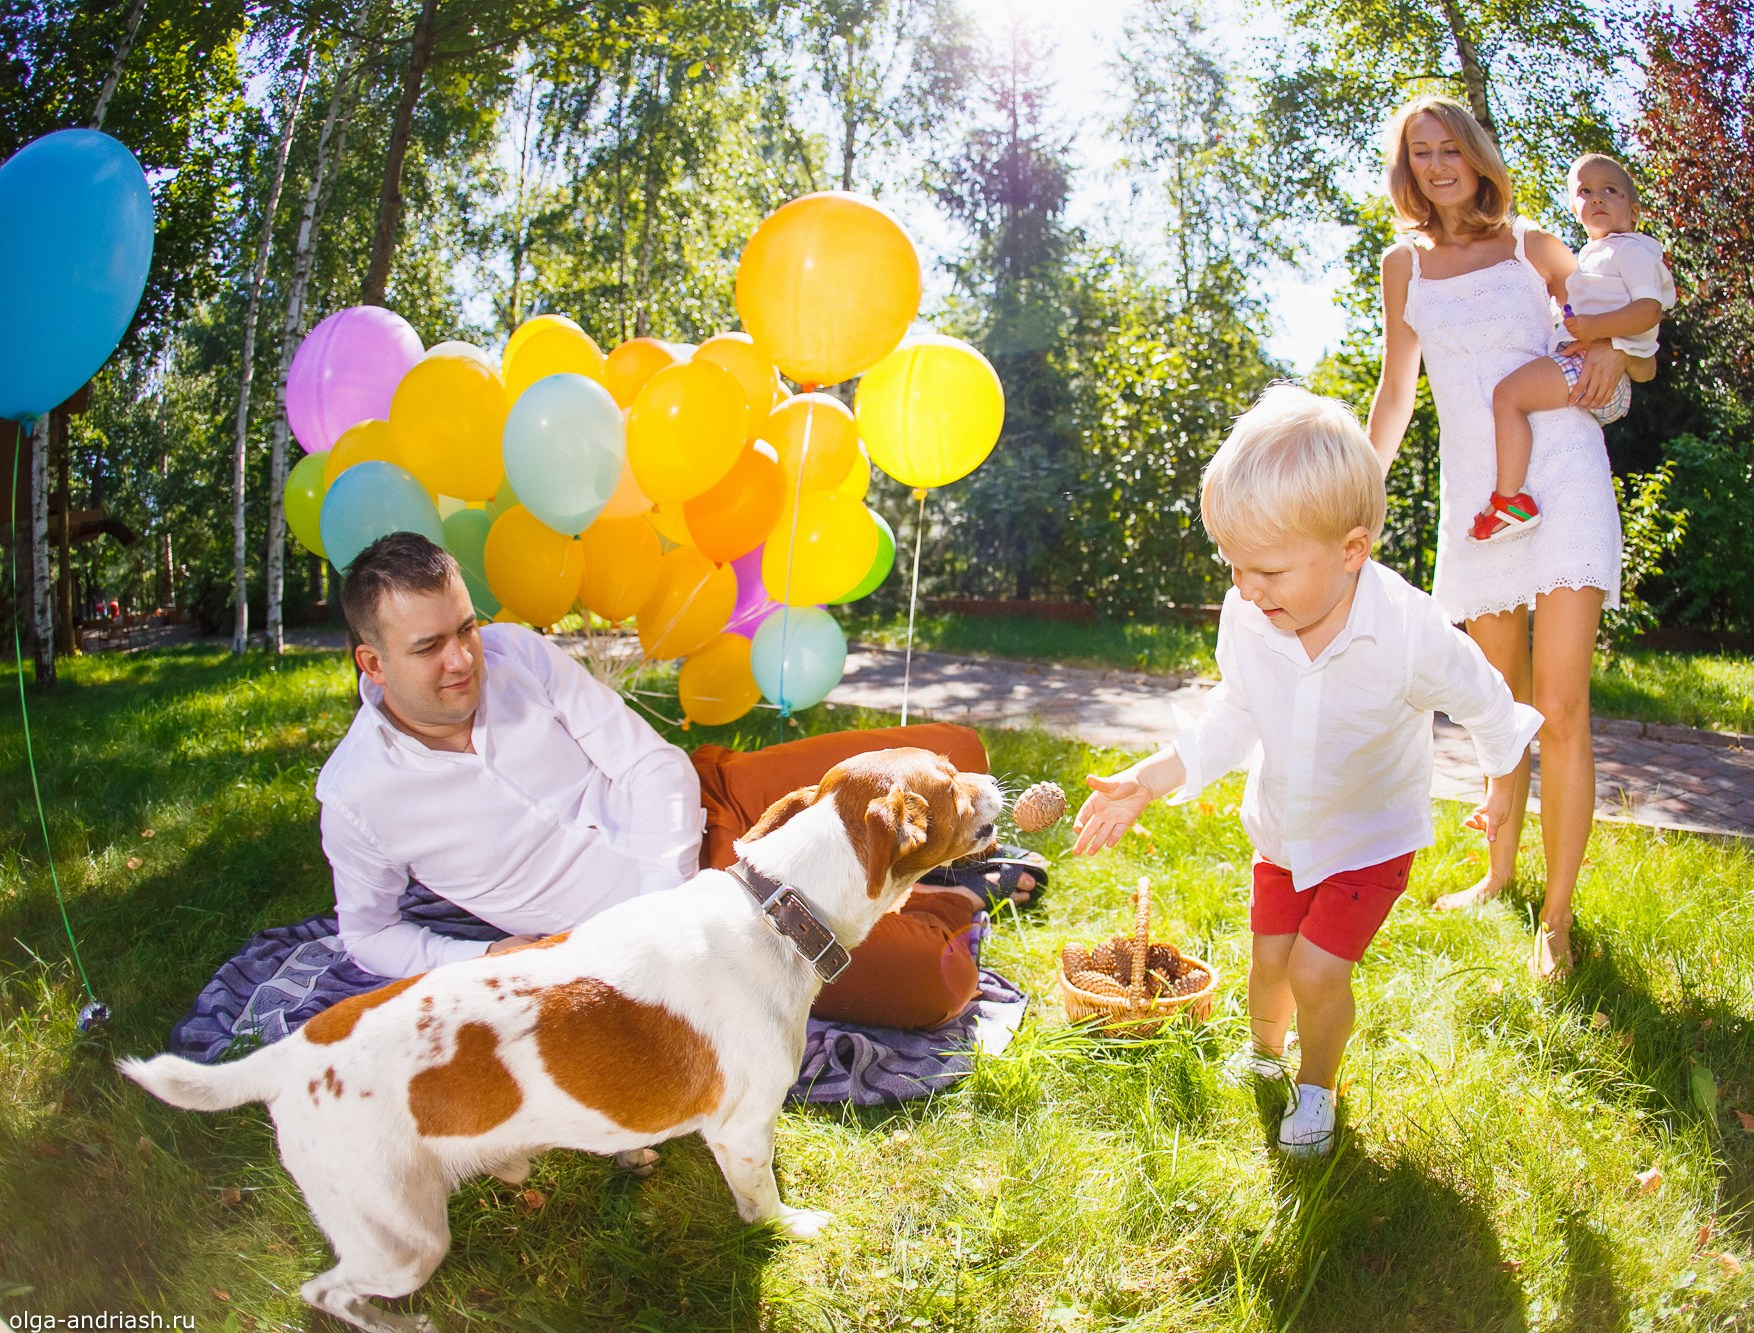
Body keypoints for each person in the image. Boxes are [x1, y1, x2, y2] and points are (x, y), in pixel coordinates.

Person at [1069, 385, 1541, 1156]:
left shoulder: (1409, 630)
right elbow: (1233, 716)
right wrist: (1150, 779)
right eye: (1234, 566)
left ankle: (1316, 1085)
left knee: (1318, 972)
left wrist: (1499, 786)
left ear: (1351, 552)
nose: (1248, 590)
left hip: (1369, 839)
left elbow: (1491, 704)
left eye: (1268, 571)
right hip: (1284, 831)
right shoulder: (1251, 617)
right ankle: (1262, 1052)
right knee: (1270, 961)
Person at [316, 531, 1010, 1030]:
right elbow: (369, 933)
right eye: (428, 646)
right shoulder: (357, 797)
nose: (464, 657)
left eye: (464, 627)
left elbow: (648, 763)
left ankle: (922, 868)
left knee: (955, 751)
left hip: (716, 797)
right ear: (372, 665)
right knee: (935, 979)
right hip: (712, 919)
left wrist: (664, 906)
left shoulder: (516, 651)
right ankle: (943, 889)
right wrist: (486, 953)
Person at [1364, 95, 1656, 979]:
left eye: (1452, 147)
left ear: (1477, 154)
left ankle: (1556, 921)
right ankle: (1498, 875)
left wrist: (1616, 362)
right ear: (1407, 168)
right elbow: (1396, 391)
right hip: (1477, 498)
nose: (1439, 164)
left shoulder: (1535, 246)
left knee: (1561, 709)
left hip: (1559, 471)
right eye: (1422, 152)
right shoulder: (1402, 266)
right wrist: (1353, 494)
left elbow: (1632, 342)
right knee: (1499, 709)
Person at [1475, 153, 1676, 542]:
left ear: (1634, 213)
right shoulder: (1595, 255)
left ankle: (1510, 501)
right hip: (1597, 376)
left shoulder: (1629, 249)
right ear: (1574, 207)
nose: (1598, 198)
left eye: (1610, 191)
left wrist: (1593, 330)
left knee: (1509, 396)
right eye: (1586, 191)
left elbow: (1649, 310)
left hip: (1595, 371)